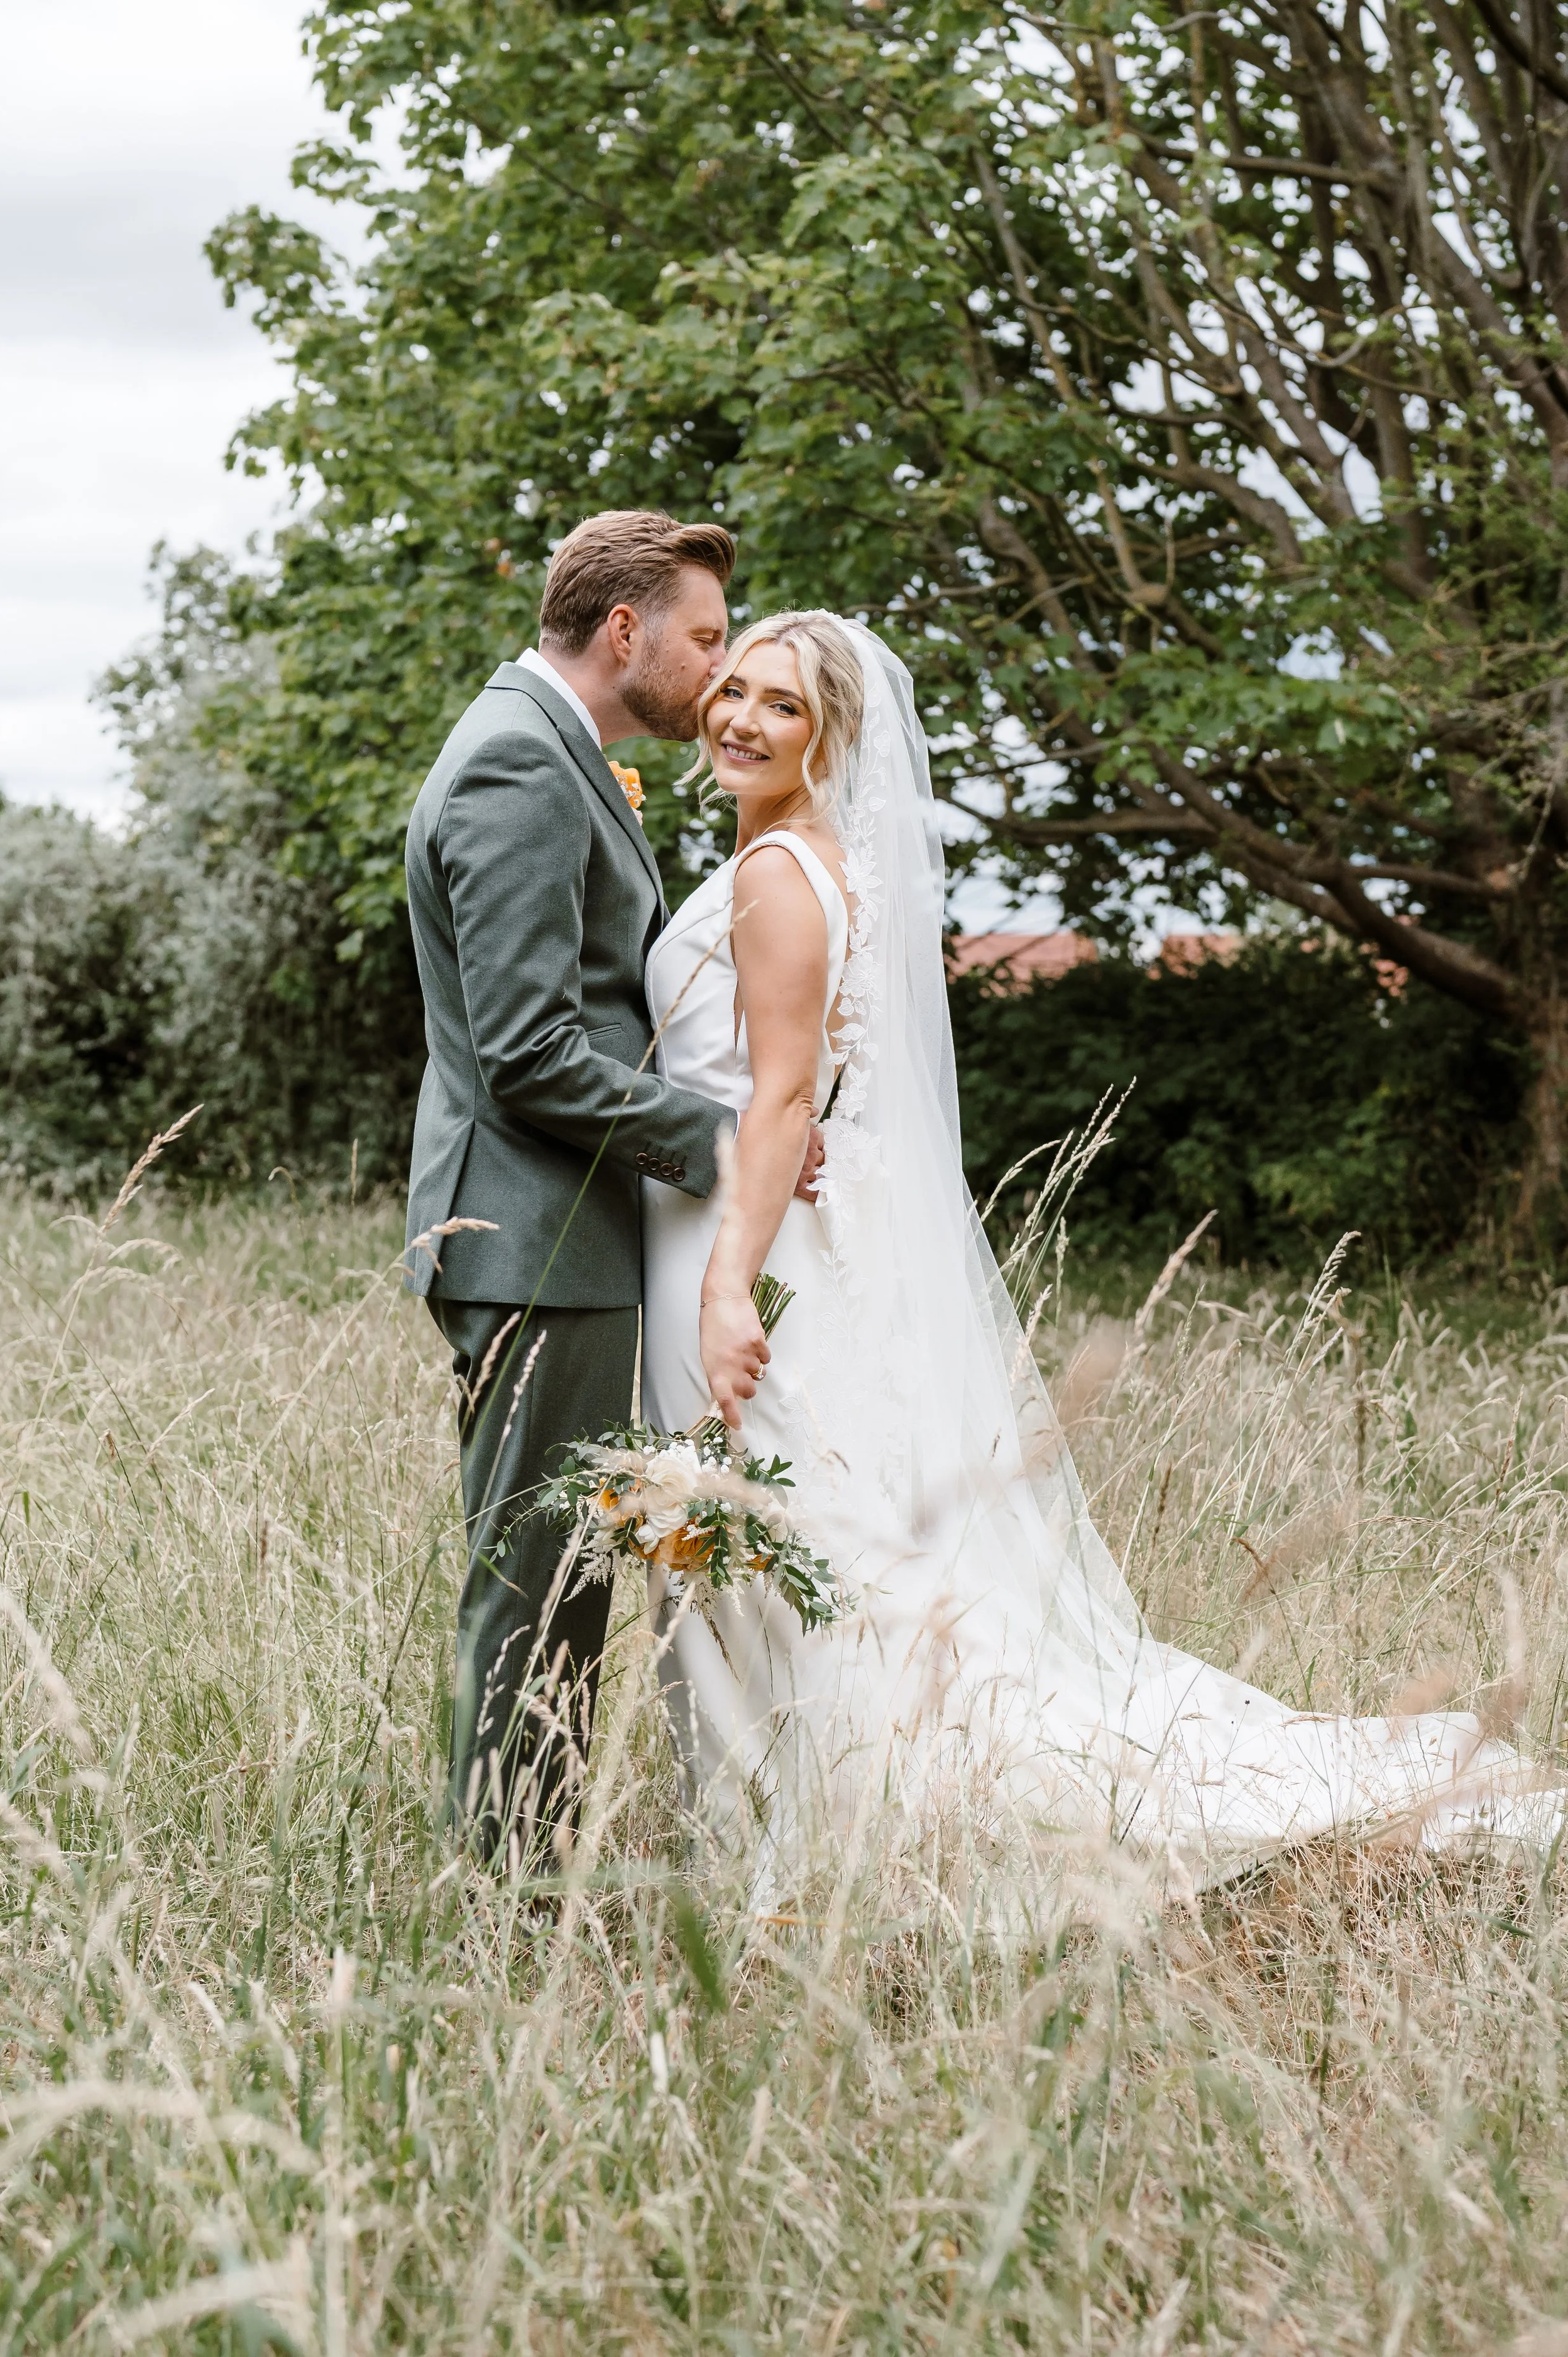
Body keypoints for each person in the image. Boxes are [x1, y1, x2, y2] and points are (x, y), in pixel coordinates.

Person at [640, 610, 1561, 1891]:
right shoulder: (814, 860)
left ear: (830, 734)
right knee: (827, 1536)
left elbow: (782, 1099)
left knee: (804, 1536)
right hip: (808, 1228)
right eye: (732, 690)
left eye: (781, 706)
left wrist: (730, 1291)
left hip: (768, 1246)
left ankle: (840, 1833)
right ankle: (822, 1817)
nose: (741, 718)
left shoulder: (773, 877)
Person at [402, 509, 823, 1864]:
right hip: (532, 1237)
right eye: (704, 639)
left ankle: (521, 1873)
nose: (716, 673)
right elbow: (526, 1054)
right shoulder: (517, 766)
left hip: (563, 1234)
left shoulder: (552, 755)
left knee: (560, 1579)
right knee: (534, 1588)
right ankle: (508, 1902)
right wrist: (723, 1140)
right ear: (624, 628)